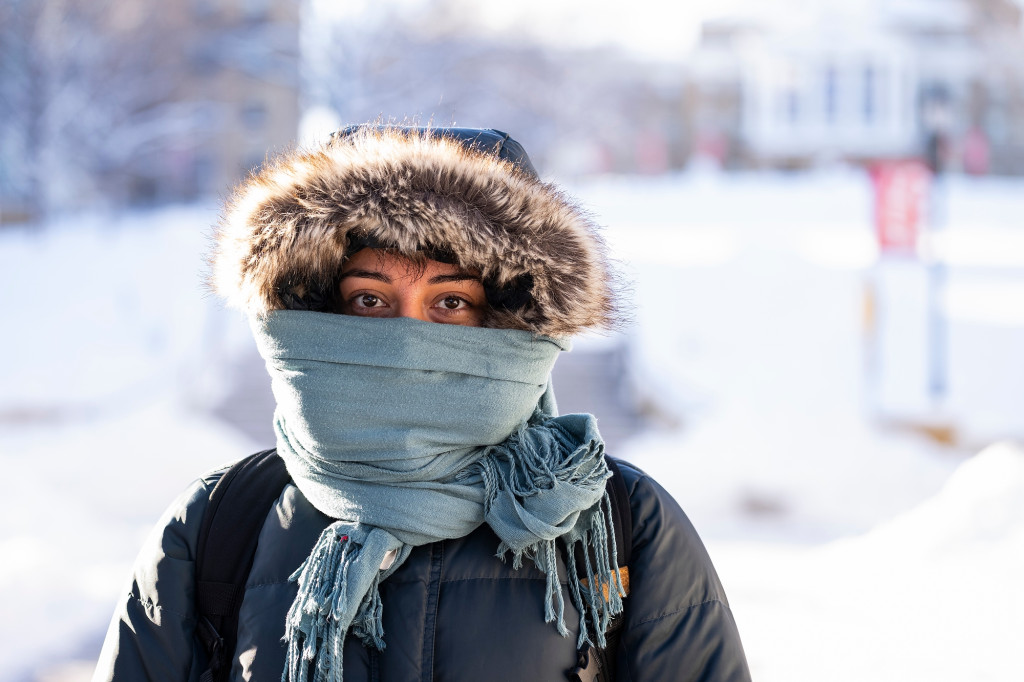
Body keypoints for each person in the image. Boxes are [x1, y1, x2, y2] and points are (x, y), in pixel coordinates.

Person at [93, 126, 751, 681]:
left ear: (511, 321)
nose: (409, 339)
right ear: (314, 310)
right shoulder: (219, 526)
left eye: (451, 304)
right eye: (370, 301)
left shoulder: (619, 526)